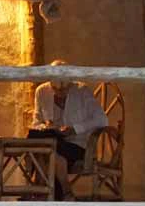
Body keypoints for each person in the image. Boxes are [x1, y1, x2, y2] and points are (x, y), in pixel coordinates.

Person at [28, 59, 109, 199]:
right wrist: (46, 126)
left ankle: (41, 192)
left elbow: (102, 119)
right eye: (56, 89)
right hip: (51, 141)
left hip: (76, 145)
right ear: (50, 84)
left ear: (70, 83)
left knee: (47, 151)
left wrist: (74, 129)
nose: (60, 92)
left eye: (64, 89)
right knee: (39, 141)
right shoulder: (41, 91)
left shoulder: (82, 91)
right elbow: (36, 122)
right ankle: (64, 193)